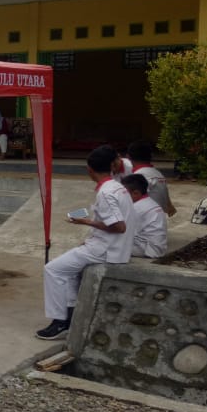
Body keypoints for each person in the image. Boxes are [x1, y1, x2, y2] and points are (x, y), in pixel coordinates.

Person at [36, 145, 136, 340]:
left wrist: (85, 221)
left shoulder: (106, 192)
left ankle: (59, 321)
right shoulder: (118, 186)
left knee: (52, 269)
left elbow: (119, 226)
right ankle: (71, 316)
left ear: (90, 169)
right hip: (111, 246)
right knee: (69, 272)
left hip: (106, 249)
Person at [122, 173, 168, 259]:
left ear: (136, 193)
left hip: (148, 249)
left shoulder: (136, 208)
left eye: (124, 193)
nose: (121, 196)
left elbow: (124, 232)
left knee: (108, 244)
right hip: (157, 247)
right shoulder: (150, 202)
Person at [127, 140, 177, 216]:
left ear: (128, 157)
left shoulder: (138, 176)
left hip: (145, 222)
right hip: (158, 220)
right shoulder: (158, 174)